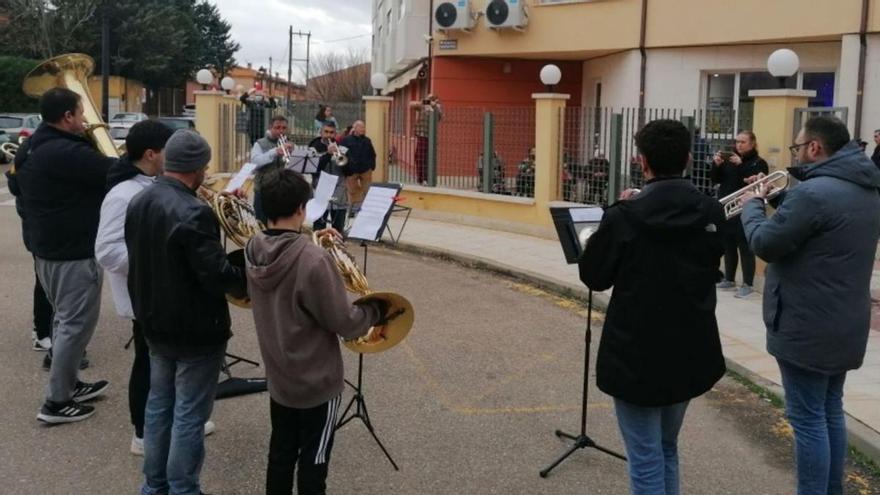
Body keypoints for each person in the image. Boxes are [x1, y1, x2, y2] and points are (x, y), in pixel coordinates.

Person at [579, 119, 726, 495]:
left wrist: (614, 222)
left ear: (641, 162)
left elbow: (595, 277)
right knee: (666, 448)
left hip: (636, 354)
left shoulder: (623, 216)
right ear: (689, 159)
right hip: (690, 349)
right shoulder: (711, 211)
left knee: (645, 458)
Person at [740, 116, 880, 495]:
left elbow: (766, 244)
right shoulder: (866, 187)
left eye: (798, 148)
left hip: (807, 324)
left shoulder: (813, 193)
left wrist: (753, 206)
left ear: (815, 148)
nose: (797, 154)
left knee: (807, 420)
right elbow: (822, 223)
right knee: (830, 410)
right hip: (845, 321)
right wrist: (777, 197)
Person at [244, 168, 389, 495]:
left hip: (280, 377)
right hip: (316, 384)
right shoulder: (312, 259)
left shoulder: (253, 247)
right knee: (314, 459)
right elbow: (346, 323)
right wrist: (374, 309)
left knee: (280, 453)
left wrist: (316, 240)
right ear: (300, 209)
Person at [126, 130, 245, 495]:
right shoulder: (193, 211)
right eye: (205, 167)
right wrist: (250, 269)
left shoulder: (140, 200)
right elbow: (217, 277)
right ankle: (184, 488)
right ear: (197, 168)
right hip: (194, 329)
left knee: (159, 406)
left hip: (154, 322)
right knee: (190, 415)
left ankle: (154, 486)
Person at [96, 120, 214, 456]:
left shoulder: (150, 185)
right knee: (148, 366)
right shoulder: (122, 195)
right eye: (169, 149)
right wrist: (162, 255)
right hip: (145, 293)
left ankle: (166, 427)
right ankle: (143, 434)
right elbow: (105, 251)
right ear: (151, 154)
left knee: (163, 366)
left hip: (161, 291)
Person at [17, 87, 116, 424]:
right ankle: (56, 402)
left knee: (63, 320)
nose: (85, 118)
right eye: (80, 112)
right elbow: (113, 172)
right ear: (68, 117)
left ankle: (70, 384)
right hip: (72, 250)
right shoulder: (67, 152)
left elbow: (15, 185)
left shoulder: (32, 144)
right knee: (75, 324)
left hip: (47, 246)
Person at [710, 130, 768, 298]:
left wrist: (741, 165)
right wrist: (717, 165)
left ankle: (748, 284)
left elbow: (752, 181)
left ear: (753, 144)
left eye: (743, 142)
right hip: (728, 208)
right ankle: (729, 278)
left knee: (745, 246)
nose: (739, 145)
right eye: (737, 142)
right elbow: (716, 179)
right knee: (728, 244)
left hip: (746, 208)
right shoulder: (730, 160)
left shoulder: (758, 163)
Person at [250, 115, 293, 223]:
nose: (281, 131)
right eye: (277, 127)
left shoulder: (289, 143)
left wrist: (293, 155)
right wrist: (274, 152)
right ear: (270, 128)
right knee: (262, 224)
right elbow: (255, 163)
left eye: (284, 128)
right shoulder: (260, 143)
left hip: (282, 190)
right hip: (263, 190)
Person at [309, 122, 348, 232]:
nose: (329, 135)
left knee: (338, 229)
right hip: (320, 192)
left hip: (339, 194)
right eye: (326, 132)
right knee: (319, 229)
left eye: (331, 133)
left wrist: (344, 159)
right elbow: (314, 170)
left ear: (335, 134)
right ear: (321, 133)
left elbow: (349, 171)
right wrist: (328, 154)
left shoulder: (342, 148)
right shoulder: (313, 148)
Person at [340, 120, 376, 207]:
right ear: (355, 128)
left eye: (364, 127)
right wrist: (346, 169)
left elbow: (372, 154)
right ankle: (354, 208)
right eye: (361, 127)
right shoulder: (346, 140)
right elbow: (341, 155)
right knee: (352, 191)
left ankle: (367, 207)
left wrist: (372, 166)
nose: (363, 129)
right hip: (351, 170)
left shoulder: (367, 140)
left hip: (365, 170)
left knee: (368, 190)